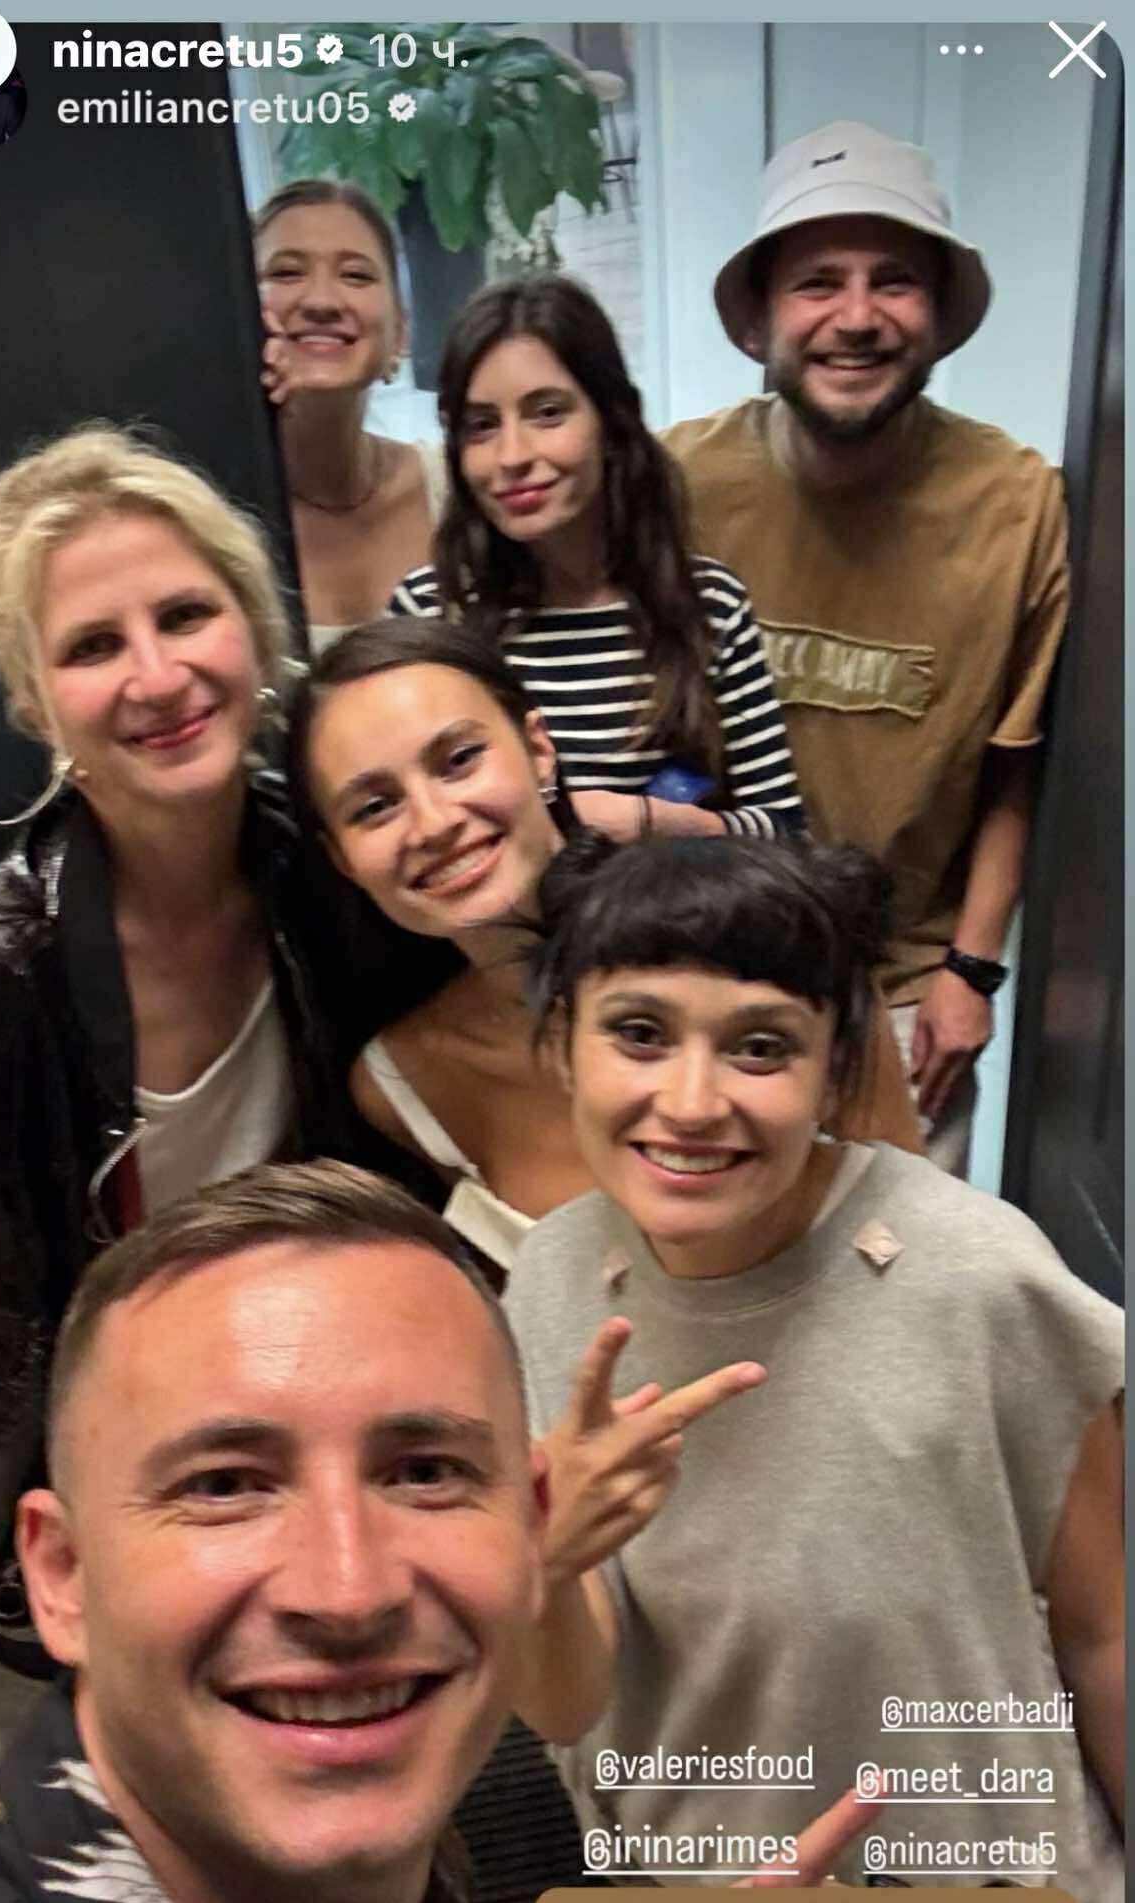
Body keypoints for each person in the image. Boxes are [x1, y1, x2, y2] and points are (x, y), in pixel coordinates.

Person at [0, 1162, 878, 1903]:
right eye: (225, 1484)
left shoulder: (381, 1834)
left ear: (534, 1530)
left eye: (424, 1473)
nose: (350, 1590)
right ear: (63, 1575)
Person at [503, 830, 1124, 1903]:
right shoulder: (551, 1281)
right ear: (563, 1044)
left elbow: (1107, 1628)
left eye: (760, 1046)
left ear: (837, 1066)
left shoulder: (975, 1277)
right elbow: (569, 1706)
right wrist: (546, 1558)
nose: (692, 1102)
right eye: (639, 1032)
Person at [0, 424, 414, 1766]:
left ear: (255, 627)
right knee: (88, 1872)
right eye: (92, 644)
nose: (157, 675)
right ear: (37, 703)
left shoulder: (334, 873)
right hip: (82, 1530)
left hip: (308, 1484)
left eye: (186, 615)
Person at [662, 122, 1069, 1175]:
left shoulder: (1017, 506)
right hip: (704, 974)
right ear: (761, 318)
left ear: (936, 312)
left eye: (893, 280)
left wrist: (972, 971)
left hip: (908, 1002)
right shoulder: (676, 484)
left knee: (900, 1268)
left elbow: (1017, 766)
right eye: (817, 283)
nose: (855, 317)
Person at [294, 615, 921, 1275]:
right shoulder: (405, 1083)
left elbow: (916, 1245)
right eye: (375, 807)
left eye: (459, 761)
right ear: (341, 858)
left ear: (539, 750)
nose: (434, 823)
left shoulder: (782, 950)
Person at [389, 276, 805, 841]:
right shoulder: (429, 612)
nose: (512, 456)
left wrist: (648, 822)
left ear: (611, 423)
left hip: (676, 896)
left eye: (547, 413)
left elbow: (786, 834)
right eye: (481, 426)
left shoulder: (710, 604)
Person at [254, 180, 448, 659]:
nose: (321, 301)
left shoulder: (460, 490)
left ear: (401, 334)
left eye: (356, 276)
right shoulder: (206, 515)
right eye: (286, 272)